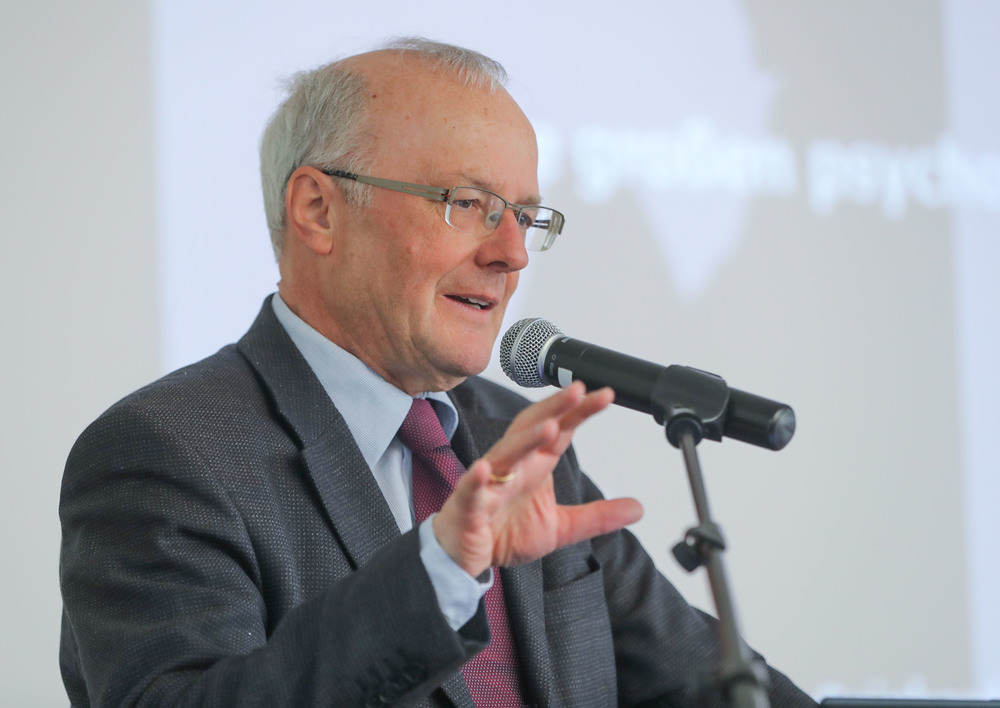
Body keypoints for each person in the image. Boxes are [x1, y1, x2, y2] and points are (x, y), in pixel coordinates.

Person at [59, 38, 816, 707]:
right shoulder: (166, 453)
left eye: (526, 216)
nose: (512, 254)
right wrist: (440, 572)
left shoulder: (512, 436)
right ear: (318, 209)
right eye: (468, 202)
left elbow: (703, 682)